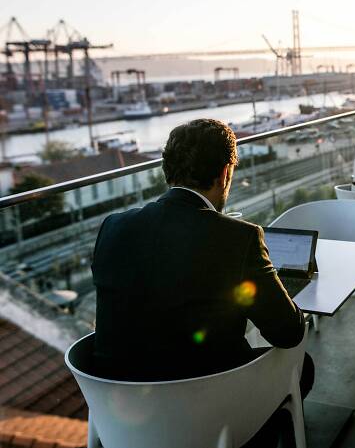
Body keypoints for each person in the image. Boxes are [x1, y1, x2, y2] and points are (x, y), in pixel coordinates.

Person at [91, 119, 313, 446]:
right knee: (302, 367)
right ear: (225, 173)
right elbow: (288, 332)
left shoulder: (113, 228)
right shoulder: (240, 238)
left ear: (169, 171)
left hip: (123, 414)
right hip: (209, 412)